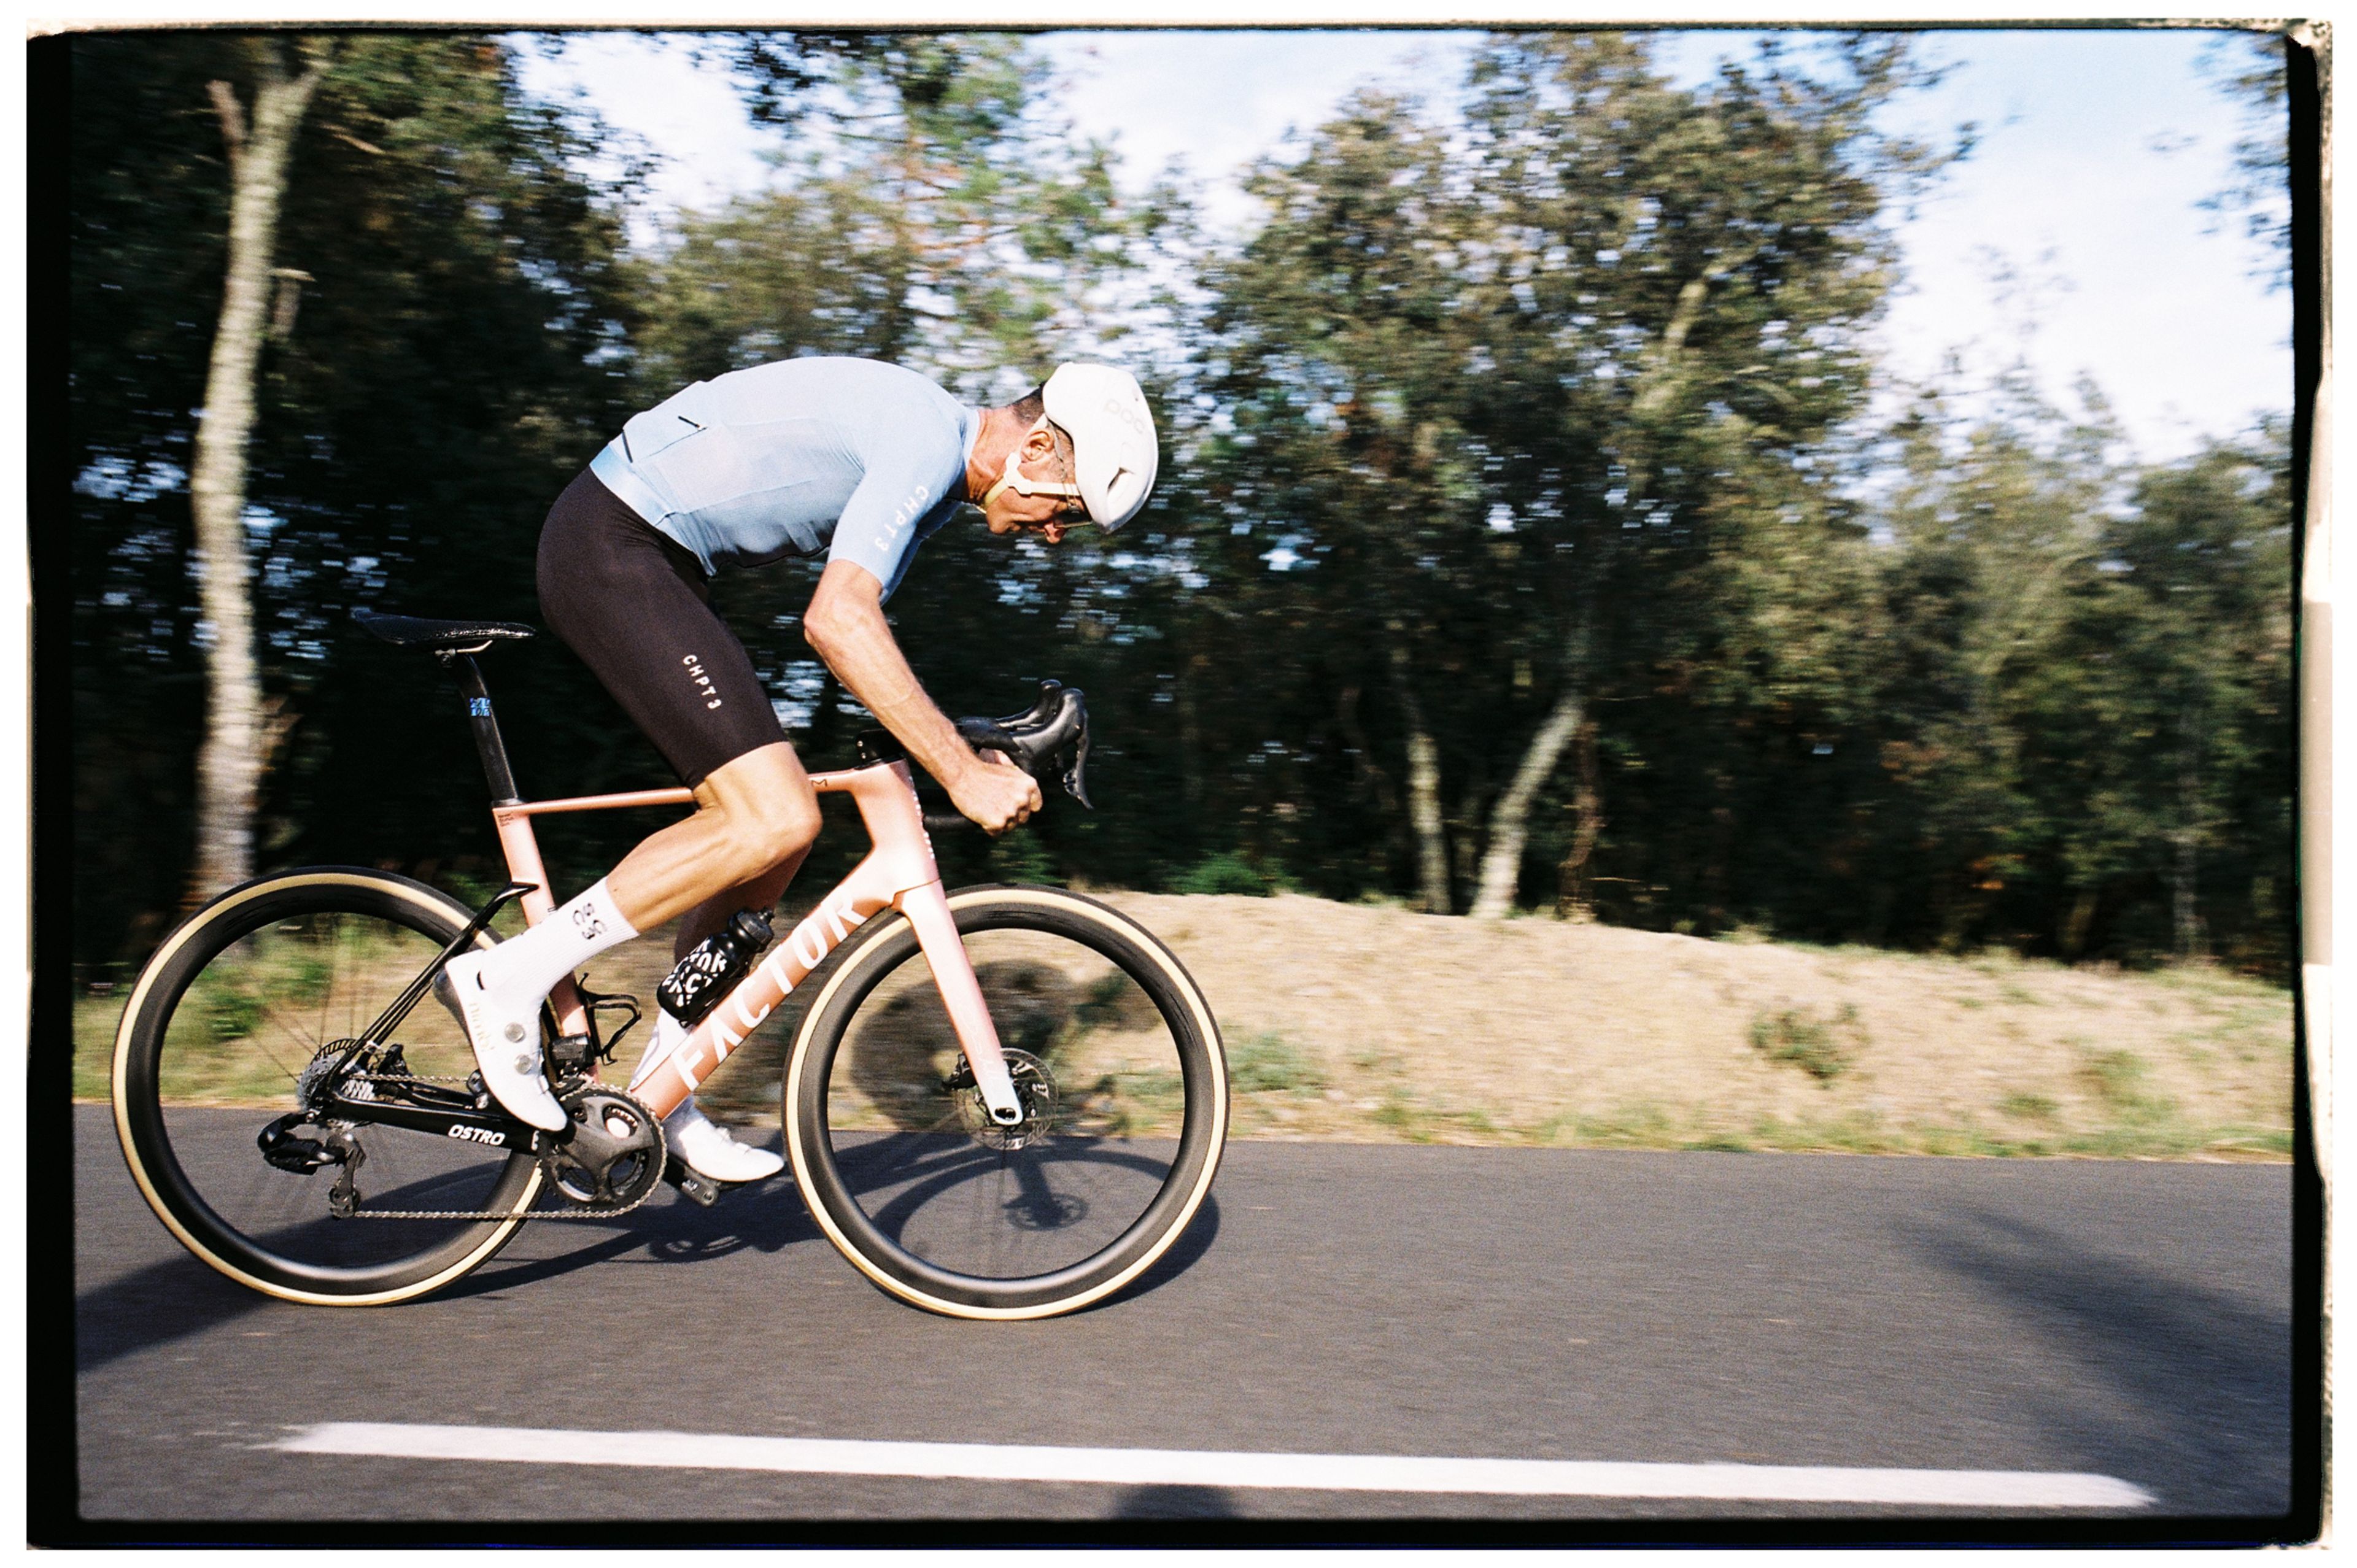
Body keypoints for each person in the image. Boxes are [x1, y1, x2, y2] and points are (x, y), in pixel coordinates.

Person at [442, 357, 1159, 1183]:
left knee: (777, 840)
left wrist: (963, 745)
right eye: (1065, 508)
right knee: (772, 814)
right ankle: (507, 981)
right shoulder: (927, 443)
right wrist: (958, 773)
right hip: (614, 546)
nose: (1056, 532)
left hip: (653, 561)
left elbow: (868, 652)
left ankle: (662, 1094)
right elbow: (837, 622)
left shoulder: (930, 467)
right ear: (1035, 446)